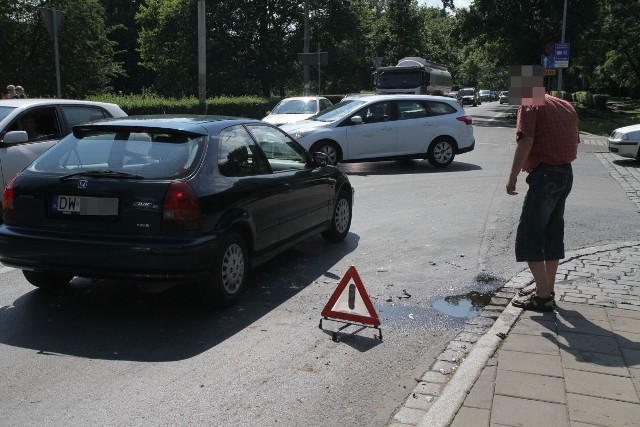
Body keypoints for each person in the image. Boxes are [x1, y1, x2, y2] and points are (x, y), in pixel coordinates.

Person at [506, 65, 579, 312]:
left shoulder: (530, 104)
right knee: (552, 231)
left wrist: (513, 176)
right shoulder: (565, 105)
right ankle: (547, 287)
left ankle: (543, 296)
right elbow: (574, 140)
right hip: (565, 173)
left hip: (546, 175)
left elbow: (526, 140)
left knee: (530, 234)